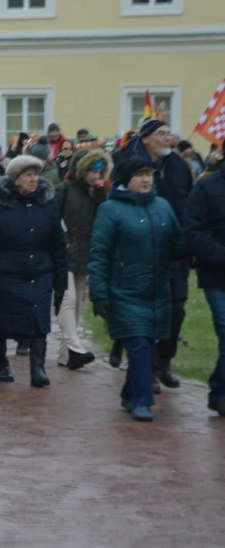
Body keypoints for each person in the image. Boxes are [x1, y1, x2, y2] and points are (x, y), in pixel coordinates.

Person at [90, 157, 185, 421]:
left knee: (143, 344)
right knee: (140, 344)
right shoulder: (110, 210)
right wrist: (98, 293)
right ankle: (143, 401)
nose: (146, 179)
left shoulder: (163, 207)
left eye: (149, 174)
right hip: (124, 292)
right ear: (125, 179)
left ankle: (129, 394)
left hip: (157, 292)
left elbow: (177, 244)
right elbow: (99, 253)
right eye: (139, 174)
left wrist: (192, 239)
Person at [111, 118, 194, 390]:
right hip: (141, 250)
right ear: (146, 138)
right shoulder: (130, 164)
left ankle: (164, 361)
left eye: (170, 134)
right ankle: (148, 369)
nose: (168, 139)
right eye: (161, 134)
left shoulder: (180, 167)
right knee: (144, 311)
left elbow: (188, 205)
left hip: (175, 250)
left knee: (176, 309)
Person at [0, 156, 67, 387]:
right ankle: (0, 362)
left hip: (39, 273)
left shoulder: (47, 204)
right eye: (28, 175)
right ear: (15, 180)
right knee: (0, 323)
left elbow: (58, 245)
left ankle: (38, 368)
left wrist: (61, 283)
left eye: (36, 174)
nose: (34, 179)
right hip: (5, 274)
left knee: (39, 319)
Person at [54, 148, 111, 370]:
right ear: (81, 170)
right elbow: (52, 218)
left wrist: (99, 194)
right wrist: (63, 238)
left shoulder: (95, 193)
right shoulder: (64, 189)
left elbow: (101, 218)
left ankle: (64, 355)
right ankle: (76, 347)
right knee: (67, 299)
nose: (97, 176)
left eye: (100, 171)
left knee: (78, 302)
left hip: (85, 253)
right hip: (64, 252)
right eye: (93, 171)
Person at [183, 158, 225, 416]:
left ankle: (219, 387)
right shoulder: (207, 187)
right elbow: (194, 231)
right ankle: (220, 392)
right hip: (217, 277)